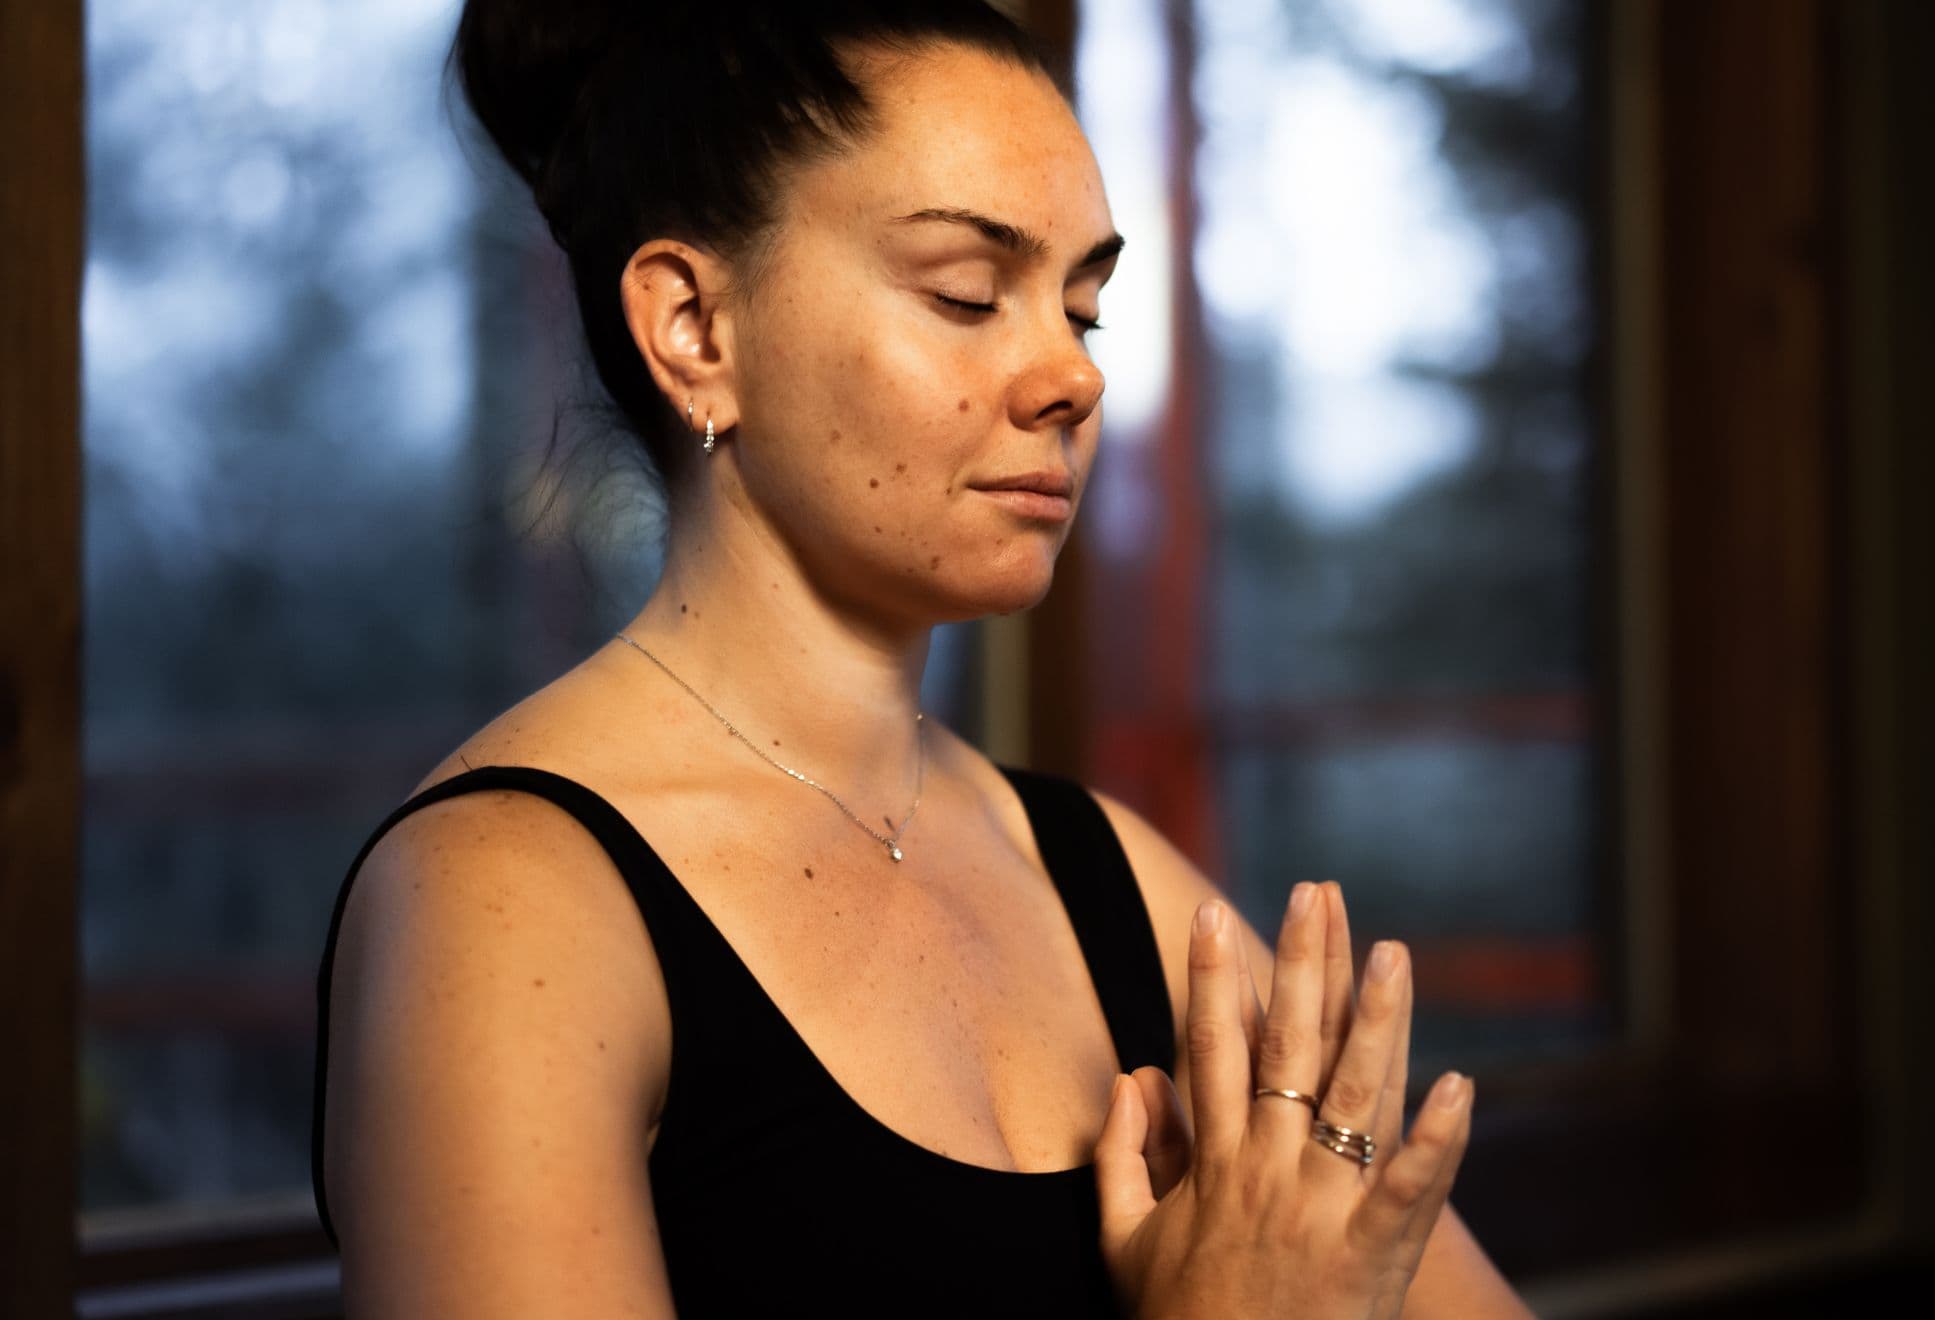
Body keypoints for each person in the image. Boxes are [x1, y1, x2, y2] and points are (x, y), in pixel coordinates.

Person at [311, 1, 1531, 1314]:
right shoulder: (505, 899)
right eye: (965, 294)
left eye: (1083, 311)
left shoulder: (1102, 872)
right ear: (693, 328)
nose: (1072, 377)